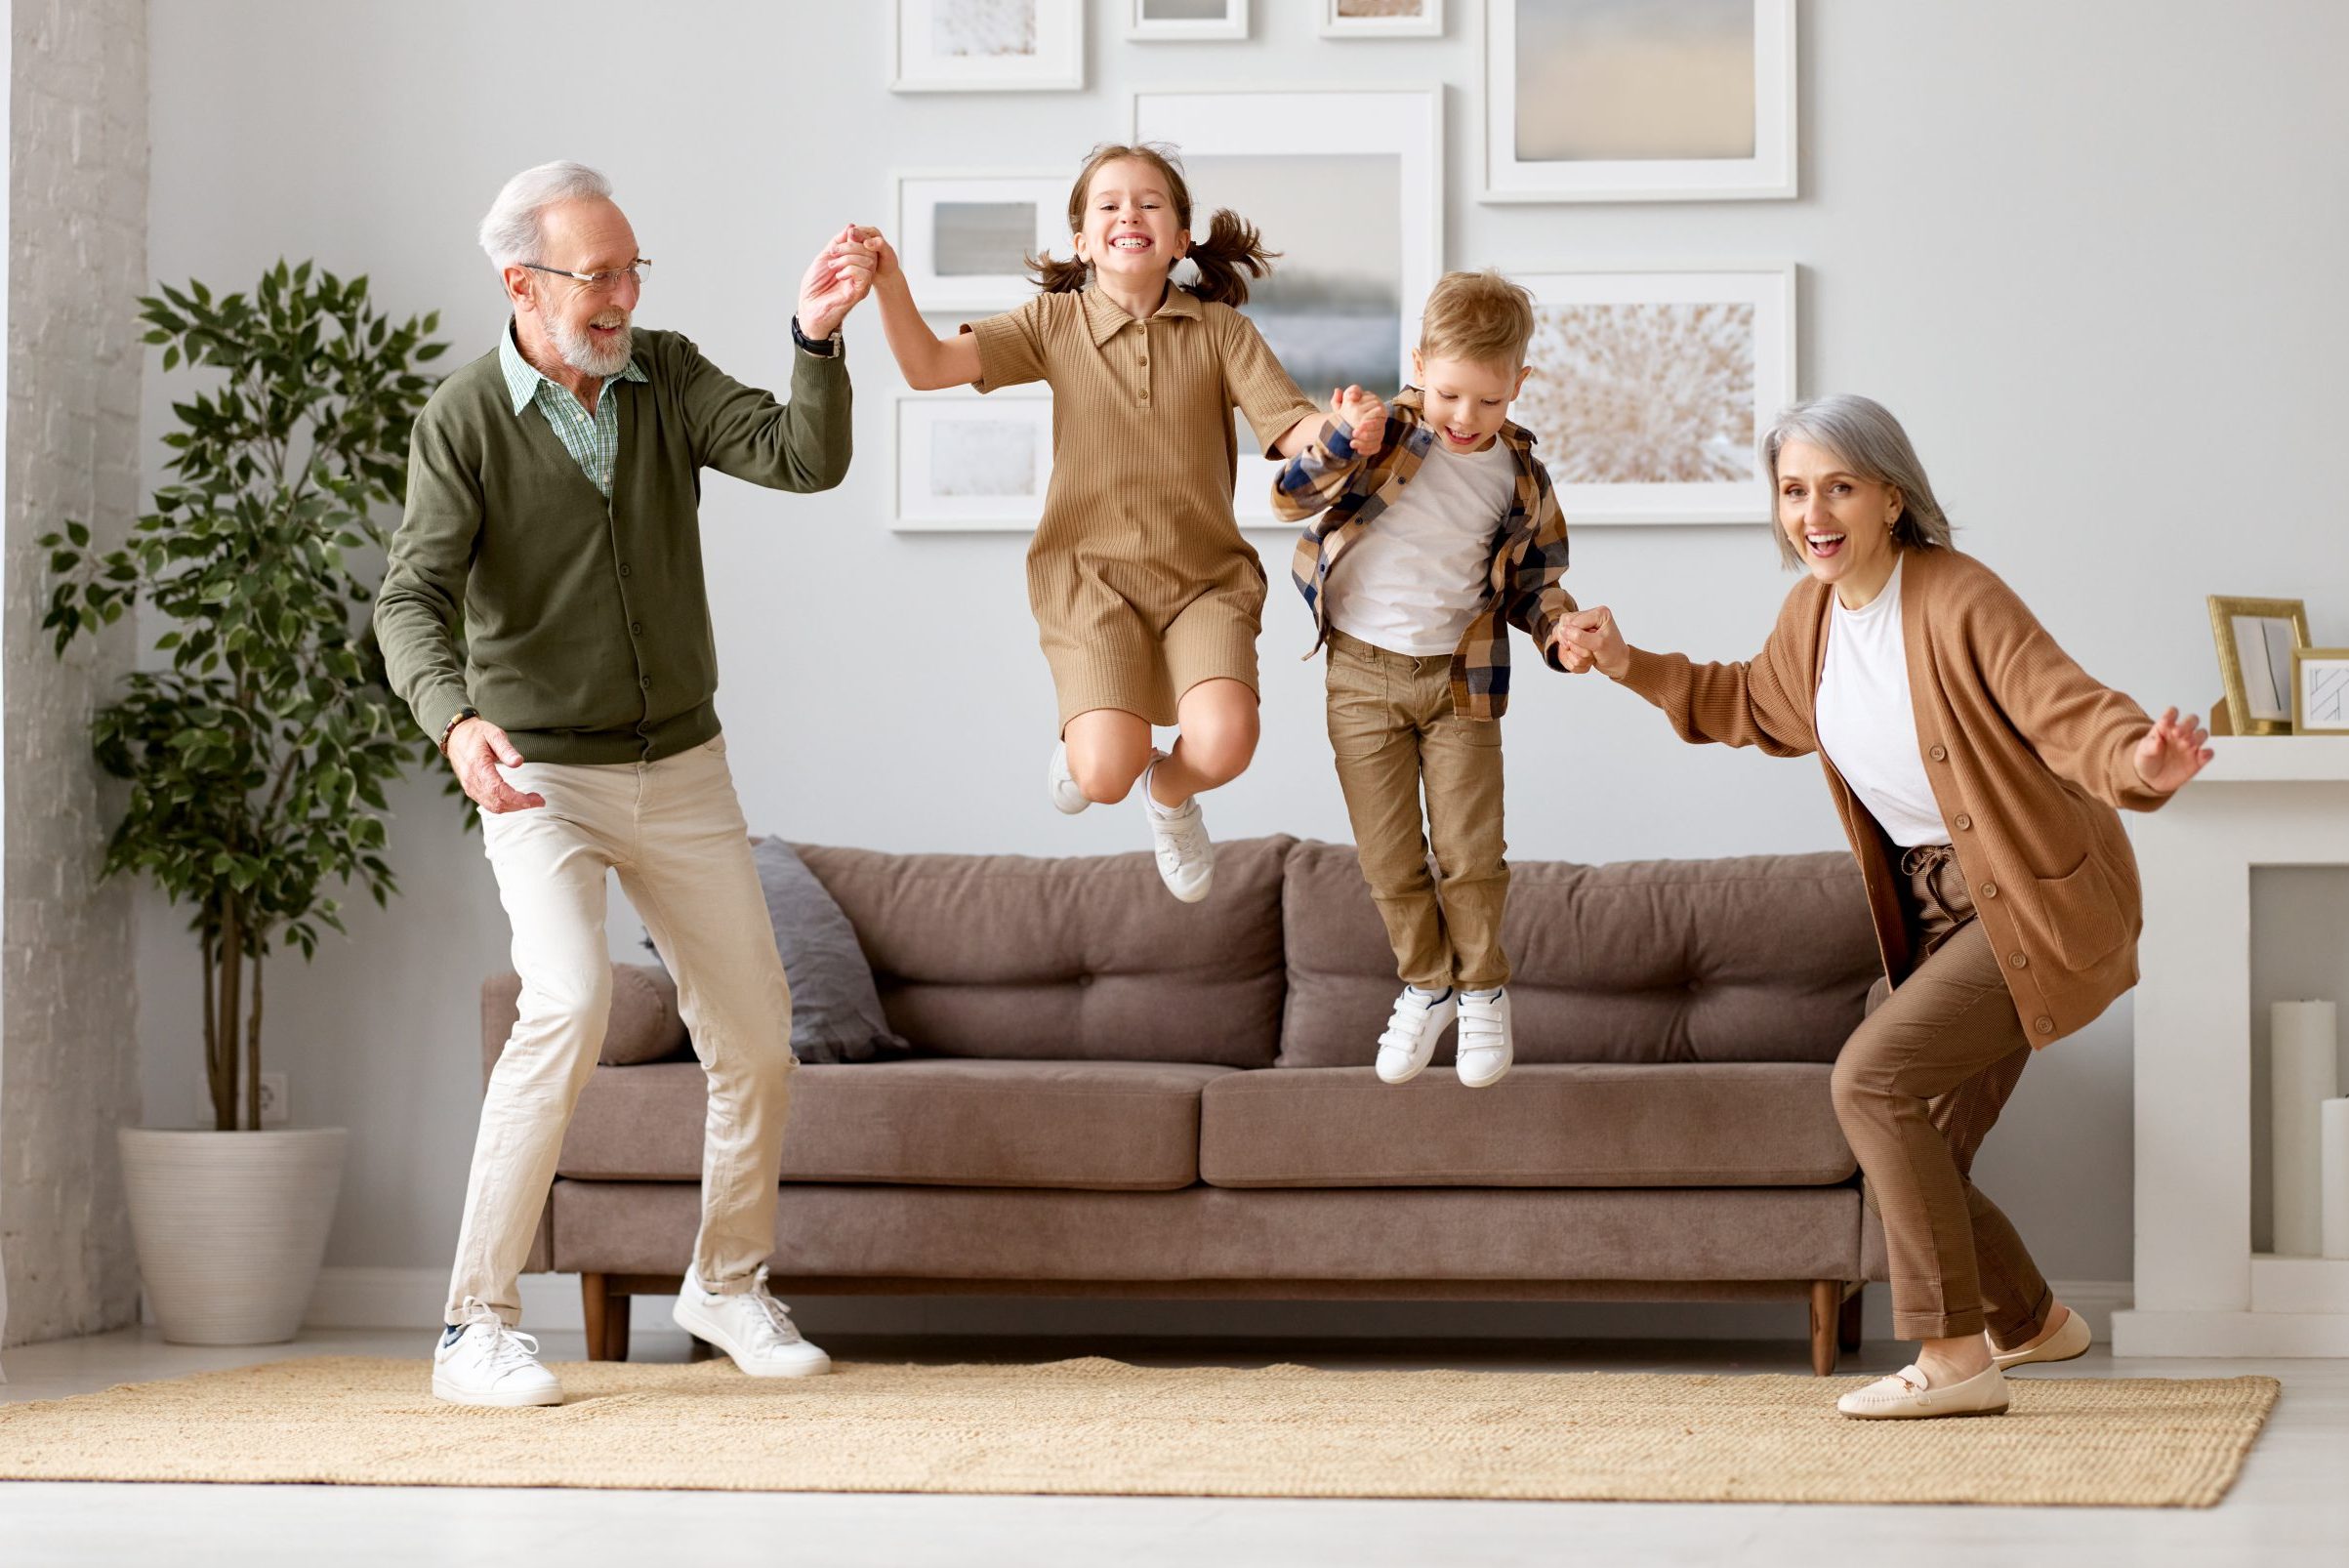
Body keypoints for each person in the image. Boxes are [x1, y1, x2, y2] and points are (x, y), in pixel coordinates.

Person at [1557, 394, 2211, 1420]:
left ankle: (1955, 1361)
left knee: (1869, 1082)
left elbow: (2063, 705)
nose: (1813, 512)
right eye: (1793, 490)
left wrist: (2140, 760)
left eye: (1839, 486)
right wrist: (1628, 661)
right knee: (1921, 1145)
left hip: (2028, 902)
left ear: (1891, 497)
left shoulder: (1957, 598)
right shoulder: (1812, 617)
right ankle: (2033, 1319)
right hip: (1937, 910)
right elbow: (1746, 703)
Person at [375, 160, 874, 1406]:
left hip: (683, 769)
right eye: (599, 276)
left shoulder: (669, 376)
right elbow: (410, 599)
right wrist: (456, 724)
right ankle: (472, 1327)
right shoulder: (465, 422)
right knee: (570, 1001)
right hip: (542, 775)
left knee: (756, 1038)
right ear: (524, 287)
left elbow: (804, 460)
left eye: (632, 269)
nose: (623, 296)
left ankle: (727, 1283)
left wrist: (814, 339)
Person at [859, 142, 1328, 901]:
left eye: (1150, 203)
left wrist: (1347, 430)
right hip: (1091, 581)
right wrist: (889, 286)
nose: (1128, 214)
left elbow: (1293, 426)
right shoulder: (1052, 324)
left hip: (1204, 580)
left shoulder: (1221, 332)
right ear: (1082, 240)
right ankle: (1087, 748)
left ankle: (1170, 799)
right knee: (1103, 774)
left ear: (1180, 238)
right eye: (1108, 204)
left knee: (1226, 741)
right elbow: (929, 367)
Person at [1270, 268, 1576, 1089]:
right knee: (1387, 858)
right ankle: (1426, 984)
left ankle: (1481, 990)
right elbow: (1287, 496)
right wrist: (1338, 442)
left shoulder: (1519, 474)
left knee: (1471, 853)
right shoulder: (1381, 433)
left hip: (1459, 681)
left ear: (1519, 384)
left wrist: (1561, 630)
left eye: (1488, 400)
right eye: (1448, 396)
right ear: (1418, 366)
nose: (1465, 419)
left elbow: (1534, 585)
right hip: (1360, 677)